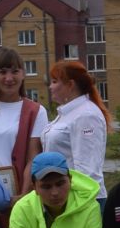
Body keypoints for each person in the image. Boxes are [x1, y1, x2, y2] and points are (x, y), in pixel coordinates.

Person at [0, 48, 49, 197]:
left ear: (23, 74)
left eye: (14, 71)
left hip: (17, 190)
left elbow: (33, 159)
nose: (9, 78)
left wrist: (23, 197)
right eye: (2, 72)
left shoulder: (36, 111)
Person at [43, 60, 110, 197]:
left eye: (55, 82)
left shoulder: (86, 116)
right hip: (62, 197)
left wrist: (81, 205)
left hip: (80, 201)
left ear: (70, 85)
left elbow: (88, 170)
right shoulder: (67, 114)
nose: (50, 87)